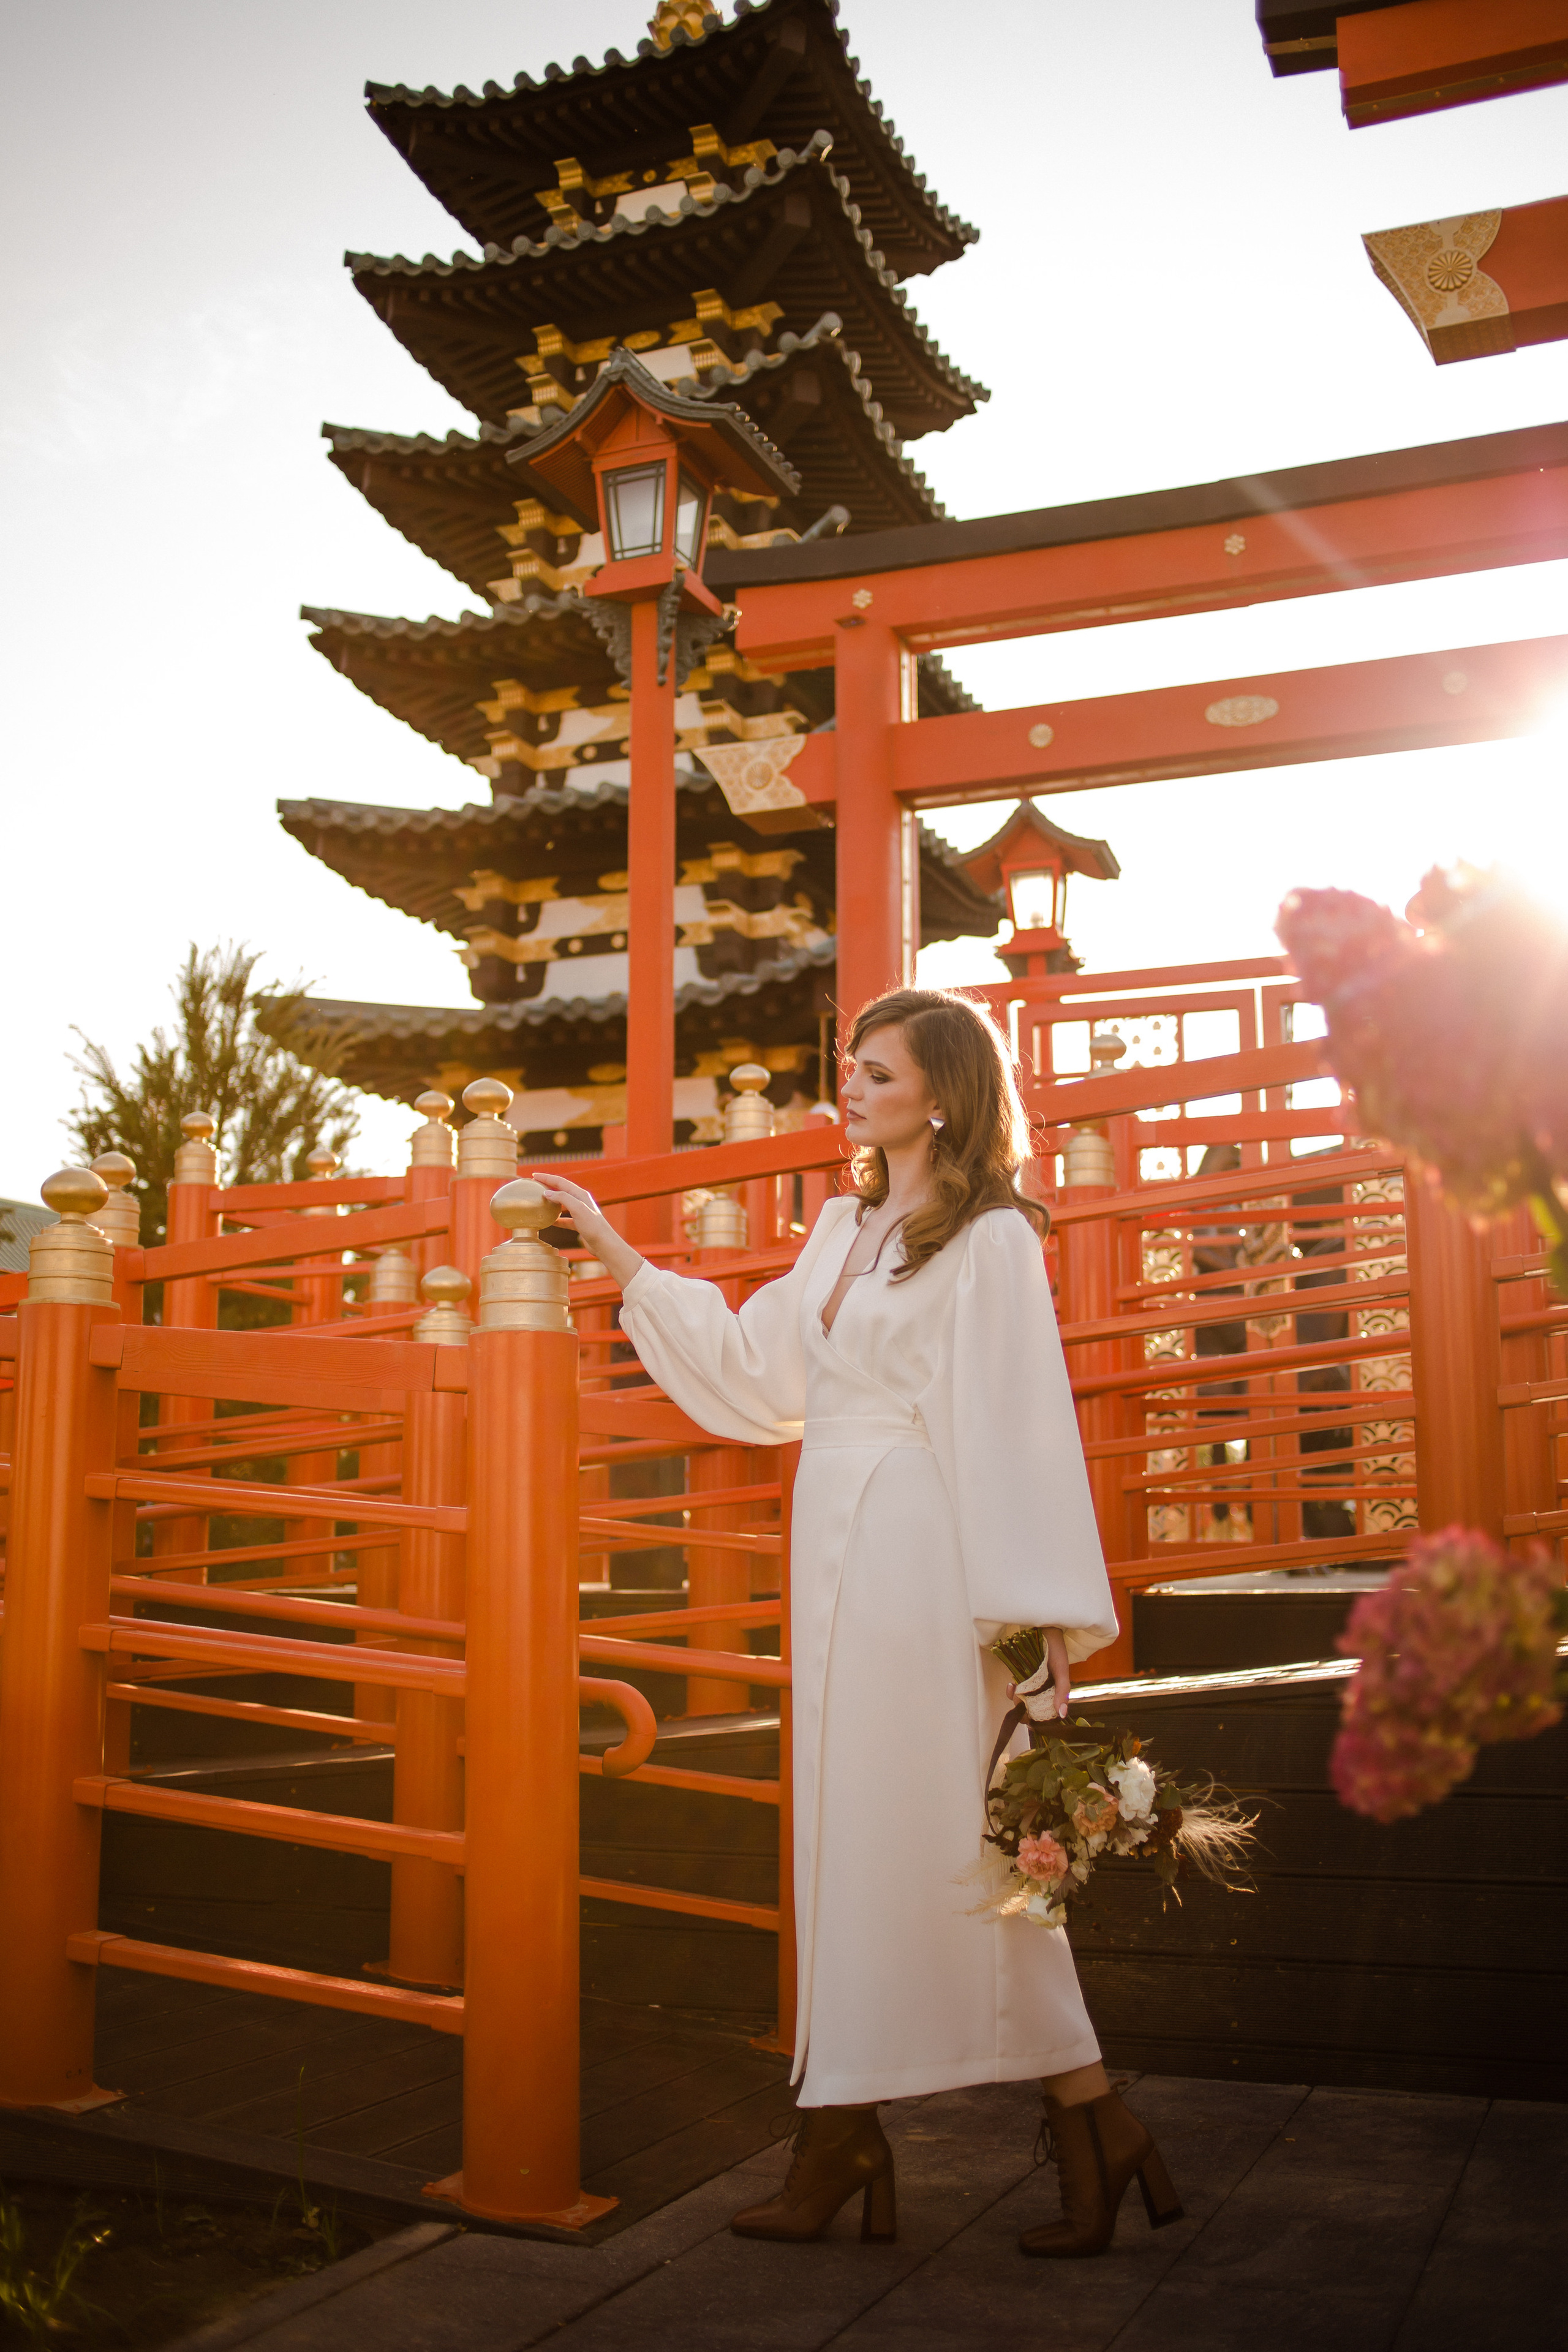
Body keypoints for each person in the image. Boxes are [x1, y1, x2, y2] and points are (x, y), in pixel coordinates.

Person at [530, 987, 1182, 2258]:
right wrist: (614, 1249)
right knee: (849, 1844)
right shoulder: (840, 1224)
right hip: (831, 1548)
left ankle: (1066, 2121)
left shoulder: (986, 1237)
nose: (853, 1085)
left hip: (923, 1561)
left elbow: (1011, 1423)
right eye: (849, 1065)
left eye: (877, 1070)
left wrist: (1028, 1627)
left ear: (939, 1092)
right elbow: (761, 1377)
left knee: (959, 1848)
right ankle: (858, 2135)